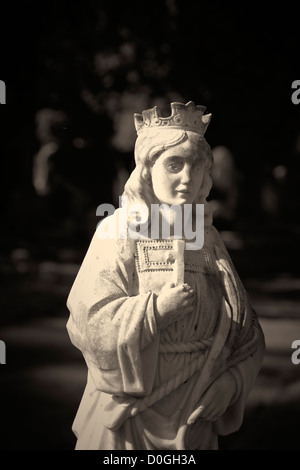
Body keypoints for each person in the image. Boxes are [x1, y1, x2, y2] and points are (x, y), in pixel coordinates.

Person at [66, 101, 265, 450]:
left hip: (195, 416)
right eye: (174, 164)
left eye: (198, 166)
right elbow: (87, 321)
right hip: (129, 424)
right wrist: (154, 311)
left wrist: (231, 383)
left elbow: (246, 333)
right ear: (147, 169)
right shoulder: (119, 231)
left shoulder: (207, 238)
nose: (188, 177)